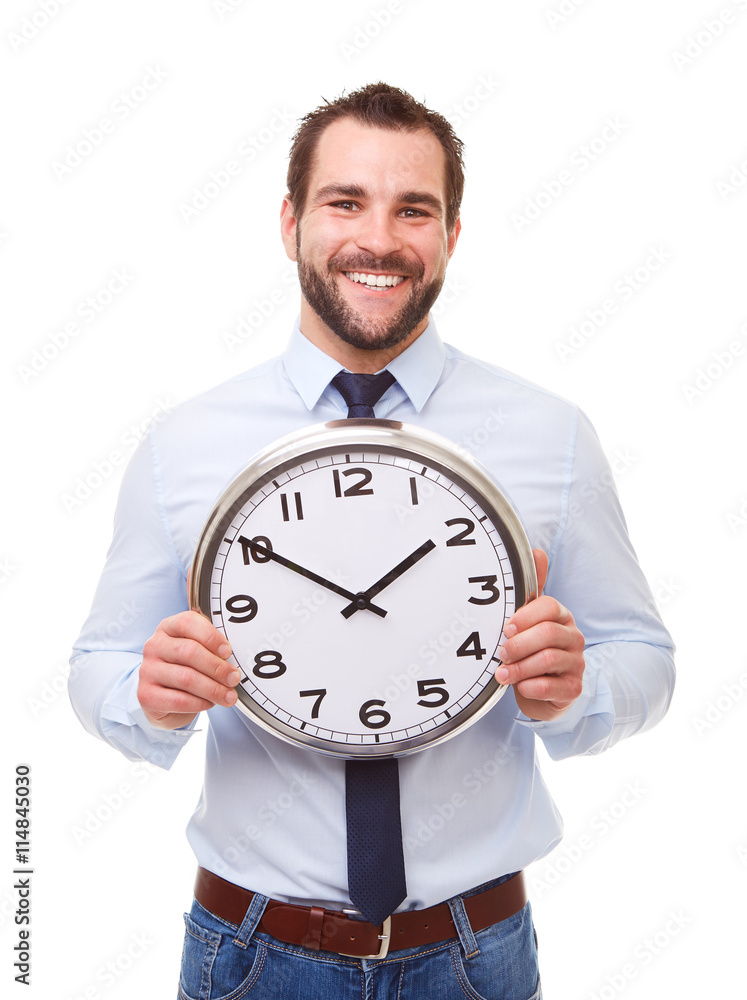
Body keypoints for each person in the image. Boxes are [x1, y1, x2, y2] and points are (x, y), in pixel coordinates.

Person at [70, 82, 675, 1000]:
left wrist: (579, 687)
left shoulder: (548, 434)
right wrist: (148, 698)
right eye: (345, 201)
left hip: (475, 956)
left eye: (414, 209)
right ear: (290, 222)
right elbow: (97, 666)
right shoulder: (186, 442)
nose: (379, 238)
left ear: (451, 236)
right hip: (252, 956)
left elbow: (646, 658)